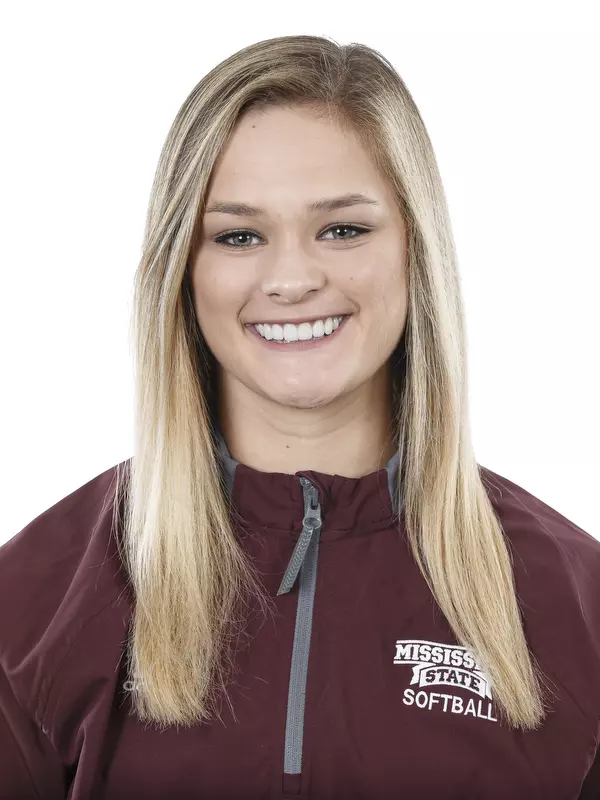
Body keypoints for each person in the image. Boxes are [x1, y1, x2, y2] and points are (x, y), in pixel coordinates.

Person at [0, 33, 598, 800]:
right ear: (184, 268)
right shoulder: (32, 605)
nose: (290, 278)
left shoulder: (575, 602)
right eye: (238, 235)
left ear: (416, 251)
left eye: (343, 228)